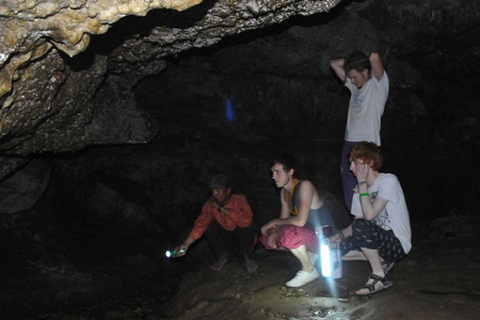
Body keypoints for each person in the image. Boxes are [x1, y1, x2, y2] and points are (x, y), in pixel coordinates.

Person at [330, 141, 411, 296]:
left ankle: (379, 275)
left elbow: (369, 216)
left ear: (370, 162)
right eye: (350, 163)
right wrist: (340, 235)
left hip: (397, 244)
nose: (351, 168)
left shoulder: (388, 181)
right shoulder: (357, 189)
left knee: (362, 224)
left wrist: (362, 185)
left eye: (355, 163)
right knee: (335, 250)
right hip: (374, 239)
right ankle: (380, 259)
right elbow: (357, 223)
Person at [260, 153, 337, 287]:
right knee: (267, 237)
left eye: (277, 172)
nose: (273, 177)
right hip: (309, 234)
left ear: (290, 172)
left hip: (325, 236)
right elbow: (283, 220)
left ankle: (309, 269)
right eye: (272, 173)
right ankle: (310, 256)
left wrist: (273, 223)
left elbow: (300, 221)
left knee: (286, 234)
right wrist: (273, 229)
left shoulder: (305, 186)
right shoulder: (284, 193)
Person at [330, 50, 389, 212]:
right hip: (349, 143)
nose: (352, 81)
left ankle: (371, 221)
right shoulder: (354, 86)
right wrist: (352, 63)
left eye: (355, 76)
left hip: (367, 144)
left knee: (367, 185)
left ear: (365, 72)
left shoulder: (378, 86)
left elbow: (375, 57)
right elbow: (334, 63)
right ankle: (357, 221)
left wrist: (361, 61)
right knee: (349, 184)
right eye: (350, 78)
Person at [172, 174, 258, 273]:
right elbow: (201, 224)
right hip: (226, 241)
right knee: (208, 224)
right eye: (213, 190)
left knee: (249, 224)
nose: (214, 193)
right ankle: (222, 256)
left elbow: (245, 222)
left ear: (228, 190)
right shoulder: (210, 205)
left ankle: (247, 257)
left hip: (243, 241)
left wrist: (221, 209)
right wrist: (186, 244)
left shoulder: (240, 199)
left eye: (218, 190)